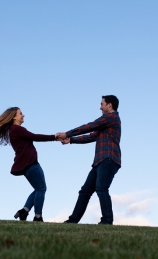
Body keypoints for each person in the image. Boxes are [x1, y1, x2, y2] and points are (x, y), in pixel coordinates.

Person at [56, 95, 121, 225]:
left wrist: (68, 133)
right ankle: (73, 220)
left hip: (108, 159)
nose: (100, 107)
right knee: (85, 191)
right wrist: (71, 140)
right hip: (99, 162)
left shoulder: (111, 117)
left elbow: (90, 126)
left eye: (102, 104)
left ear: (109, 105)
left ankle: (107, 220)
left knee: (101, 188)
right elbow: (92, 136)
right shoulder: (106, 124)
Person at [0, 107, 56, 222]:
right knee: (41, 189)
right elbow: (35, 137)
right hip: (31, 164)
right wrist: (54, 137)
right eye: (20, 113)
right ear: (14, 116)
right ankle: (38, 217)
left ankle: (24, 211)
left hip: (27, 165)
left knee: (38, 189)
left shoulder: (13, 130)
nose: (23, 115)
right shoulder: (17, 129)